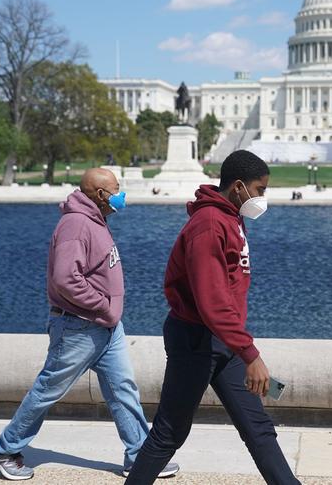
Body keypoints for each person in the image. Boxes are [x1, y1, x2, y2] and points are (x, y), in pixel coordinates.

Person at [0, 168, 179, 481]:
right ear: (100, 195)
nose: (121, 194)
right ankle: (4, 448)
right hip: (79, 327)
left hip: (106, 327)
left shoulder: (95, 220)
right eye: (116, 189)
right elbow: (65, 279)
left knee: (122, 389)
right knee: (48, 389)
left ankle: (139, 455)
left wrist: (108, 313)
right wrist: (101, 305)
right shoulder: (76, 224)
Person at [124, 150, 300, 484]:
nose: (263, 197)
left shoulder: (231, 217)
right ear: (238, 187)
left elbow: (228, 291)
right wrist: (250, 353)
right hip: (195, 339)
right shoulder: (207, 225)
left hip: (223, 340)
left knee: (257, 427)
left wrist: (239, 344)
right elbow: (211, 300)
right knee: (169, 433)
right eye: (260, 189)